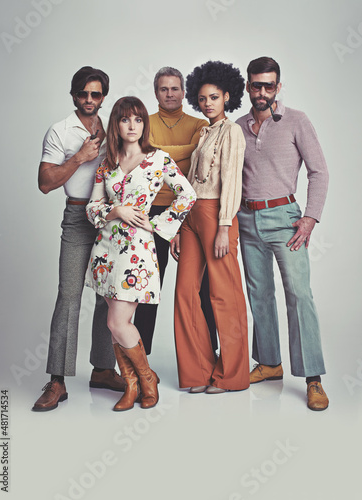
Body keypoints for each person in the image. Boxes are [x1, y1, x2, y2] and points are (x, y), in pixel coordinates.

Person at [85, 96, 196, 411]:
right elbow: (93, 208)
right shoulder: (107, 161)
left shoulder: (157, 159)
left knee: (118, 322)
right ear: (116, 125)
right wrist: (114, 209)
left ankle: (147, 379)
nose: (131, 125)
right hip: (106, 250)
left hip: (137, 250)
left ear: (143, 125)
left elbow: (187, 194)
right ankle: (132, 385)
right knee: (114, 322)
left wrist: (159, 225)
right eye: (124, 119)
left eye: (137, 119)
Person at [236, 56, 329, 411]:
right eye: (256, 85)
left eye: (269, 85)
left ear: (278, 86)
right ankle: (270, 362)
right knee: (258, 293)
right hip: (247, 218)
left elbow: (319, 172)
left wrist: (310, 218)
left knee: (298, 294)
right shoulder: (237, 126)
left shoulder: (296, 121)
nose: (262, 92)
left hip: (286, 218)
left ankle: (313, 378)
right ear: (247, 86)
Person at [33, 67, 125, 412]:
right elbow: (45, 182)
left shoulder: (114, 127)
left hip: (110, 219)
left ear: (104, 97)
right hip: (77, 218)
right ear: (74, 95)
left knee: (108, 297)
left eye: (96, 94)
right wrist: (80, 158)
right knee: (70, 296)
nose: (89, 100)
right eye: (83, 94)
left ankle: (102, 369)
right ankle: (57, 380)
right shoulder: (60, 130)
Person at [173, 60, 249, 394]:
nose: (207, 103)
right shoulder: (204, 132)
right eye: (202, 98)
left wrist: (223, 227)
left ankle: (231, 376)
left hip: (217, 213)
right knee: (185, 294)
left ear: (227, 96)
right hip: (191, 215)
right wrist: (177, 225)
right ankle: (200, 371)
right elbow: (191, 182)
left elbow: (232, 182)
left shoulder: (232, 131)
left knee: (224, 295)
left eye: (214, 97)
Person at [133, 67, 217, 355]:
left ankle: (210, 353)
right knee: (149, 285)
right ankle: (142, 360)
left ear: (184, 91)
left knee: (202, 286)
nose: (169, 94)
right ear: (155, 92)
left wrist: (158, 151)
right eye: (163, 89)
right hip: (151, 211)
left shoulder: (199, 123)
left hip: (189, 208)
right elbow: (145, 152)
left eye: (174, 88)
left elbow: (157, 152)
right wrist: (185, 149)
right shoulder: (145, 121)